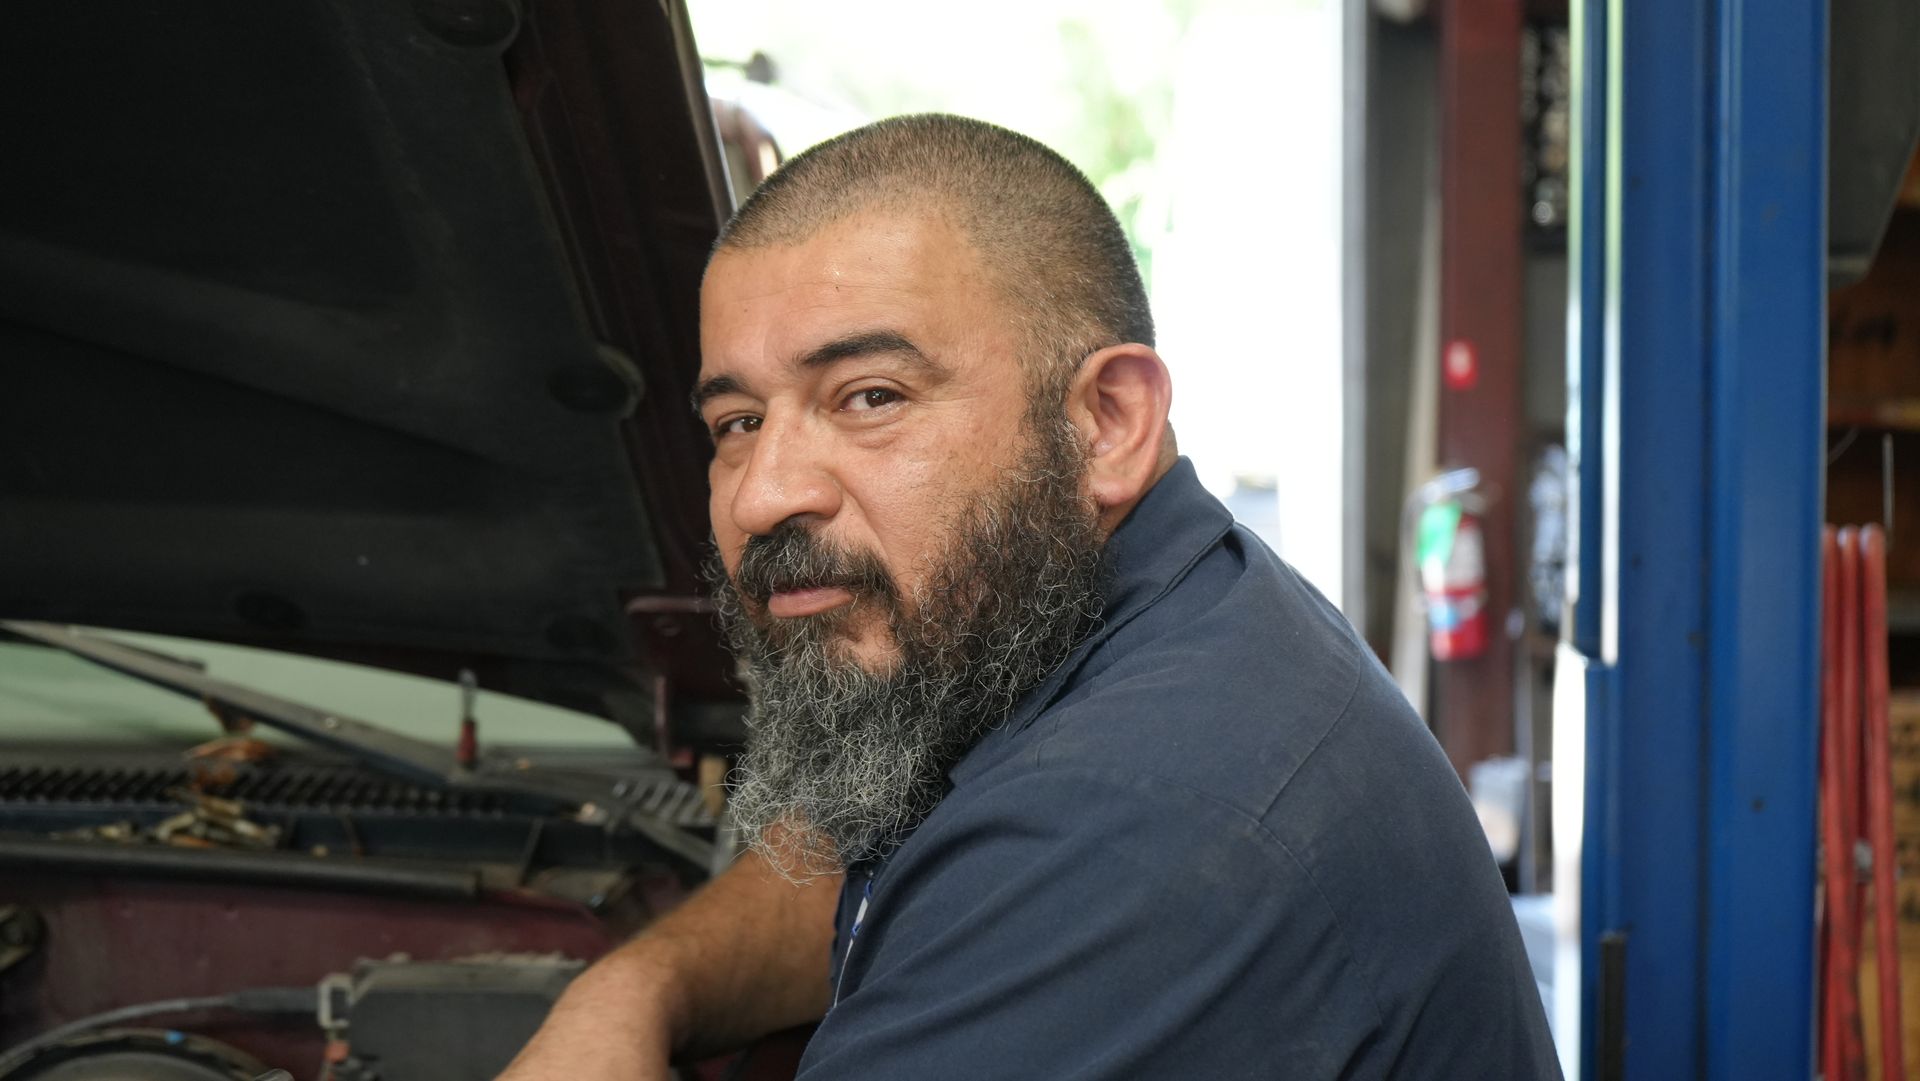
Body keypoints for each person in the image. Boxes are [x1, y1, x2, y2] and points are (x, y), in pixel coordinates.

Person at [500, 114, 1559, 1080]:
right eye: (737, 422)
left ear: (1107, 422)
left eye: (869, 397)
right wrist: (636, 987)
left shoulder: (1130, 830)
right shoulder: (1087, 621)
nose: (763, 494)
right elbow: (865, 860)